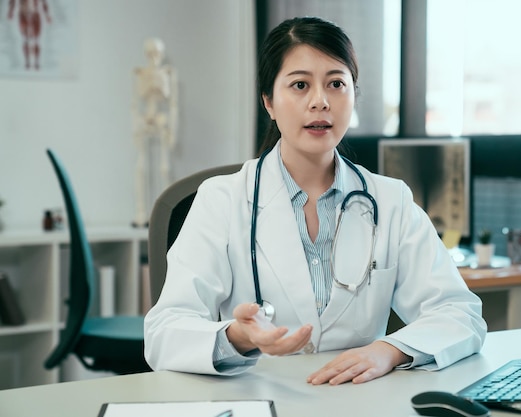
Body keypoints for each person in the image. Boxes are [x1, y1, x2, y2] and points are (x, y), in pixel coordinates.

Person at [144, 16, 486, 385]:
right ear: (269, 102)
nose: (320, 101)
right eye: (300, 85)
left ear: (354, 95)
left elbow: (459, 312)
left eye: (337, 83)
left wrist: (389, 350)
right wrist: (238, 338)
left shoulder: (390, 201)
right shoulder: (222, 200)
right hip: (262, 398)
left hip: (359, 401)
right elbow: (165, 332)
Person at [131, 37, 178, 227]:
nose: (153, 58)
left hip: (161, 120)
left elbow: (173, 104)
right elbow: (134, 104)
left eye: (156, 53)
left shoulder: (168, 73)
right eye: (150, 53)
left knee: (163, 167)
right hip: (146, 121)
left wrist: (172, 128)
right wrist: (137, 126)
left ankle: (164, 215)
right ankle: (141, 212)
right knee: (142, 167)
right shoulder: (139, 73)